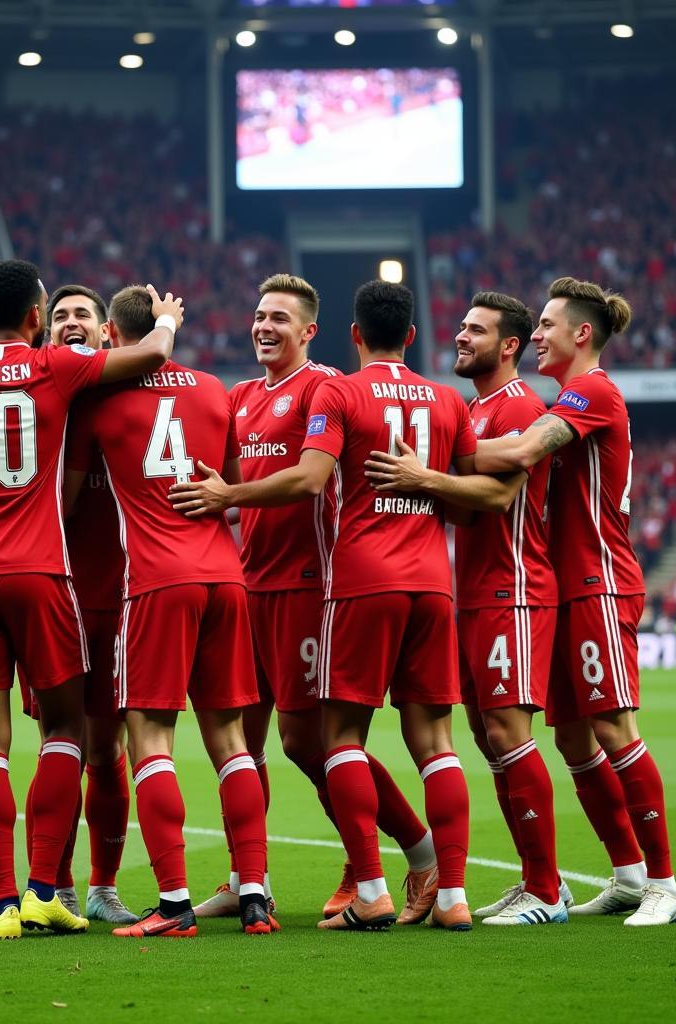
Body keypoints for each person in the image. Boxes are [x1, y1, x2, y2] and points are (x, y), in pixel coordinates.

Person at [171, 281, 474, 931]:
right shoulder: (239, 399)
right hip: (244, 585)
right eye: (257, 315)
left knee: (309, 742)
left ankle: (408, 855)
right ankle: (245, 877)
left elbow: (304, 480)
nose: (264, 326)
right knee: (239, 744)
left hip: (310, 585)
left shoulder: (327, 387)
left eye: (279, 317)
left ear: (311, 331)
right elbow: (219, 482)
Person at [0, 259, 181, 940]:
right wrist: (169, 319)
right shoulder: (56, 370)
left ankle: (1, 905)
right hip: (41, 572)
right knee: (67, 731)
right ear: (37, 320)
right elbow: (152, 351)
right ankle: (42, 890)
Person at [464, 277, 676, 926]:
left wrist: (432, 457)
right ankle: (626, 873)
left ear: (580, 334)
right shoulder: (566, 396)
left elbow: (528, 449)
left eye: (547, 326)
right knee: (571, 737)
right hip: (560, 587)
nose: (536, 335)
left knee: (616, 729)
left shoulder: (592, 390)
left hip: (599, 581)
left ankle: (664, 886)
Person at [65, 285, 273, 938]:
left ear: (112, 336)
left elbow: (64, 502)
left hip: (154, 581)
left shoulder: (102, 397)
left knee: (150, 741)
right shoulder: (216, 390)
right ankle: (255, 895)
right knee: (232, 742)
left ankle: (175, 902)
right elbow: (231, 485)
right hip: (224, 574)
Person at [364, 291, 570, 925]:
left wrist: (426, 479)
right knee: (485, 736)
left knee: (509, 732)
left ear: (509, 346)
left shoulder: (520, 406)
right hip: (470, 592)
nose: (460, 337)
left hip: (513, 587)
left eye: (475, 331)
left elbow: (499, 495)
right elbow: (459, 500)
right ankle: (541, 881)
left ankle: (544, 888)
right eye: (460, 327)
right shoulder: (468, 408)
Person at [17, 283, 137, 926]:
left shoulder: (129, 398)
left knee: (105, 749)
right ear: (44, 329)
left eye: (82, 315)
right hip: (52, 595)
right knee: (55, 742)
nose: (69, 322)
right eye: (59, 314)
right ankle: (53, 885)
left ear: (105, 332)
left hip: (117, 597)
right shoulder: (32, 404)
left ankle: (103, 885)